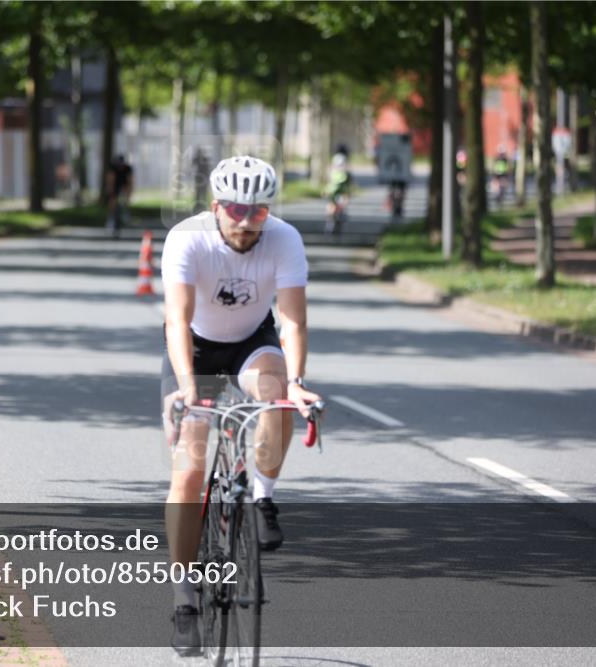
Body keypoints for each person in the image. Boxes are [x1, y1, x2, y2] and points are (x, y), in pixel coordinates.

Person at [160, 155, 321, 655]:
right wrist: (187, 386)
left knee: (276, 397)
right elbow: (177, 319)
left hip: (253, 342)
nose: (247, 220)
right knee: (190, 468)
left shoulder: (285, 239)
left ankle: (263, 496)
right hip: (196, 349)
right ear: (216, 207)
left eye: (258, 211)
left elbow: (292, 320)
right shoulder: (188, 240)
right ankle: (184, 593)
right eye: (236, 209)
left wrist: (295, 381)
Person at [104, 154, 134, 236]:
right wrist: (111, 193)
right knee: (112, 203)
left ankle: (126, 214)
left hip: (124, 184)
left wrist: (128, 194)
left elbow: (130, 181)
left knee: (125, 201)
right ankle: (110, 220)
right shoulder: (113, 168)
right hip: (115, 185)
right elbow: (110, 181)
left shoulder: (128, 169)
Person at [324, 150, 352, 234]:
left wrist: (347, 194)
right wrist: (326, 191)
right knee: (330, 208)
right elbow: (330, 185)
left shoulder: (346, 175)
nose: (340, 167)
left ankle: (341, 217)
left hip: (341, 194)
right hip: (333, 193)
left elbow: (347, 187)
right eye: (338, 165)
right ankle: (329, 223)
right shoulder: (332, 173)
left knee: (341, 205)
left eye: (341, 165)